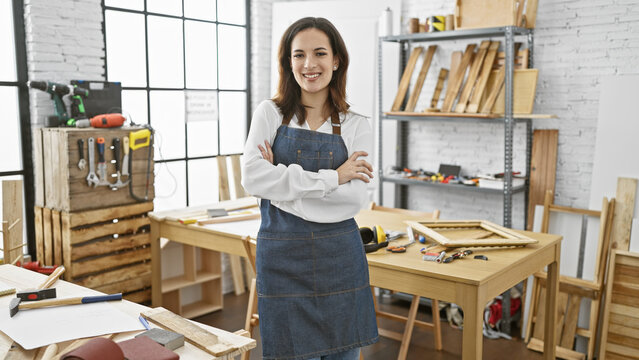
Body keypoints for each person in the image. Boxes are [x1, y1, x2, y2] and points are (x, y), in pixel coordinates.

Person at [241, 17, 378, 360]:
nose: (309, 64)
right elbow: (252, 179)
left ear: (336, 60)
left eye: (319, 53)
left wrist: (282, 187)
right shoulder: (270, 114)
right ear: (289, 63)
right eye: (299, 55)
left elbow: (352, 202)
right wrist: (333, 178)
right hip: (283, 262)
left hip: (340, 263)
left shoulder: (357, 125)